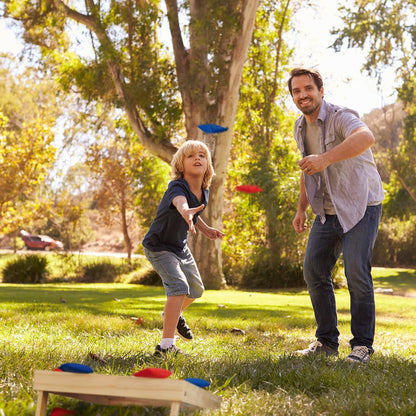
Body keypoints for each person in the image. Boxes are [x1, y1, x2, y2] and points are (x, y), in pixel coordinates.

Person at [287, 67, 384, 363]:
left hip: (361, 205)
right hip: (328, 210)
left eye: (308, 88)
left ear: (320, 90)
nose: (303, 95)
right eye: (296, 91)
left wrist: (325, 158)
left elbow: (366, 137)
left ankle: (362, 345)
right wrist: (302, 207)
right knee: (314, 270)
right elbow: (309, 170)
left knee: (356, 271)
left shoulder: (341, 116)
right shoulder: (300, 128)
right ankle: (327, 341)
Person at [142, 140, 224, 356]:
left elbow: (194, 213)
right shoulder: (177, 187)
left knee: (196, 289)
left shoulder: (204, 191)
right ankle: (165, 346)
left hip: (179, 247)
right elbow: (181, 204)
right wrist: (185, 211)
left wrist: (205, 229)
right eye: (190, 156)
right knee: (178, 287)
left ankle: (172, 314)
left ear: (208, 165)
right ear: (180, 165)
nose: (197, 158)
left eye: (202, 155)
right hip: (159, 246)